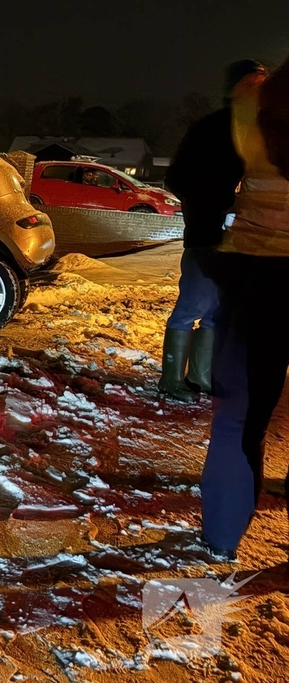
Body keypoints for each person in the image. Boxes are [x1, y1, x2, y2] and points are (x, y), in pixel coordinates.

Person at [201, 54, 289, 559]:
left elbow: (211, 166)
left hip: (259, 270)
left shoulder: (255, 97)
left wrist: (209, 239)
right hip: (260, 271)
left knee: (240, 413)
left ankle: (222, 534)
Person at [159, 60, 268, 402]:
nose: (258, 91)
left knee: (218, 311)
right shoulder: (212, 128)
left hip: (242, 240)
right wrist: (213, 204)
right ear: (234, 88)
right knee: (193, 305)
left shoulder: (261, 130)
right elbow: (177, 178)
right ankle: (171, 380)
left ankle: (201, 377)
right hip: (208, 236)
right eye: (251, 84)